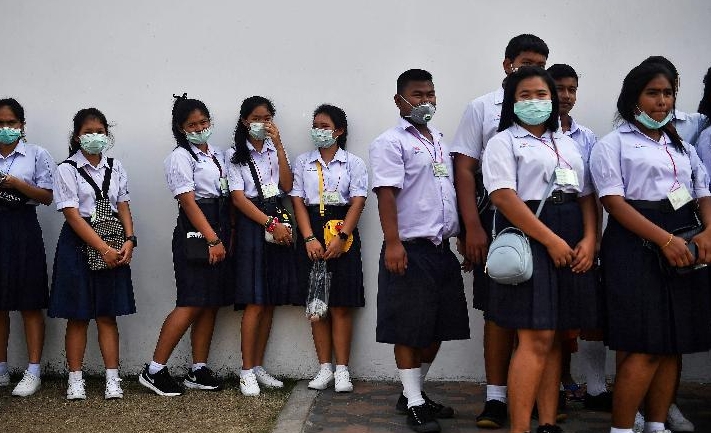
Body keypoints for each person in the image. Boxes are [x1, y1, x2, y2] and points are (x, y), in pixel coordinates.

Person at [590, 62, 711, 433]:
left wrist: (708, 232)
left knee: (671, 344)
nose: (662, 102)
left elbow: (702, 191)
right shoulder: (613, 144)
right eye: (653, 93)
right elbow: (614, 202)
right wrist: (664, 240)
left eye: (668, 94)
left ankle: (657, 424)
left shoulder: (681, 145)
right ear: (633, 98)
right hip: (635, 247)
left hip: (684, 241)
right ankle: (623, 428)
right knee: (644, 344)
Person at [481, 66, 597, 433]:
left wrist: (591, 239)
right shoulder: (504, 142)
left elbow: (587, 195)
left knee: (557, 333)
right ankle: (520, 427)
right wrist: (550, 240)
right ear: (512, 102)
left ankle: (547, 423)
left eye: (541, 94)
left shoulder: (568, 141)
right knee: (534, 336)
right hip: (533, 234)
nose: (535, 102)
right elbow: (503, 196)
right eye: (525, 95)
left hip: (572, 235)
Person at [450, 33, 549, 429]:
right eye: (525, 61)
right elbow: (464, 169)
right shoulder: (482, 108)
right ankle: (495, 397)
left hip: (547, 221)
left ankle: (541, 394)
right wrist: (470, 226)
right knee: (497, 309)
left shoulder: (547, 106)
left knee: (543, 310)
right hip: (496, 221)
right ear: (506, 63)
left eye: (540, 63)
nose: (532, 69)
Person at [370, 68, 470, 433]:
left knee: (440, 325)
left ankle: (413, 391)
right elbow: (386, 194)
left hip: (440, 249)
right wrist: (393, 243)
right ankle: (414, 402)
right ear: (399, 100)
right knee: (409, 327)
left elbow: (450, 191)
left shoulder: (439, 140)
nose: (425, 101)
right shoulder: (390, 142)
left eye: (430, 93)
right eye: (417, 94)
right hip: (408, 248)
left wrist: (459, 233)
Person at [139, 95, 231, 397]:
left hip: (221, 223)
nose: (200, 128)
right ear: (181, 128)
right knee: (191, 300)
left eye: (204, 122)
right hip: (197, 230)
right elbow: (189, 202)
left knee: (209, 302)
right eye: (193, 124)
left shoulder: (217, 154)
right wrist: (213, 239)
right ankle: (154, 369)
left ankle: (198, 368)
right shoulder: (179, 157)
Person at [49, 108, 136, 400]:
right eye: (88, 132)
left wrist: (129, 240)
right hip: (79, 242)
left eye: (100, 131)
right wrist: (102, 248)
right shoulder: (66, 169)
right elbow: (72, 215)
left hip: (113, 236)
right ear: (77, 136)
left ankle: (113, 378)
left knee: (107, 314)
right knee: (77, 315)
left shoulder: (116, 166)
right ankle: (76, 379)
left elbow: (123, 204)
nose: (95, 137)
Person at [547, 63, 612, 412]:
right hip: (544, 227)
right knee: (549, 313)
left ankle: (597, 389)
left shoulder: (587, 138)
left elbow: (593, 192)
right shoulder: (523, 135)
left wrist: (594, 239)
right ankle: (552, 388)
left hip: (581, 231)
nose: (566, 96)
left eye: (572, 89)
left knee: (586, 309)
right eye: (559, 88)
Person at [290, 104, 367, 393]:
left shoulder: (354, 163)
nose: (319, 130)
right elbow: (297, 199)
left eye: (324, 125)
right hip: (312, 227)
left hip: (341, 228)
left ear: (339, 130)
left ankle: (343, 370)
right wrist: (308, 237)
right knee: (316, 304)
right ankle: (325, 368)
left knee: (342, 304)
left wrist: (343, 236)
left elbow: (358, 201)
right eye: (316, 125)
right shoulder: (303, 162)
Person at [227, 96, 299, 397]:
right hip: (253, 224)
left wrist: (280, 145)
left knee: (268, 299)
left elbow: (286, 184)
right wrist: (269, 224)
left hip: (277, 216)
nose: (262, 123)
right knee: (255, 300)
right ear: (245, 121)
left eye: (267, 117)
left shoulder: (272, 150)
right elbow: (238, 198)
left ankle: (257, 366)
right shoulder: (234, 155)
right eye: (256, 118)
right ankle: (245, 371)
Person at [0, 98, 54, 397]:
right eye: (0, 123)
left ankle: (33, 370)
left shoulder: (36, 154)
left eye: (11, 123)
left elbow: (47, 196)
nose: (5, 129)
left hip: (24, 227)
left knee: (30, 301)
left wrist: (14, 183)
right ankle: (2, 369)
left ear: (22, 125)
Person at [641, 56, 708, 146]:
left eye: (667, 91)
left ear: (677, 85)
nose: (661, 101)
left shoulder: (698, 123)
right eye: (652, 92)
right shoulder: (627, 130)